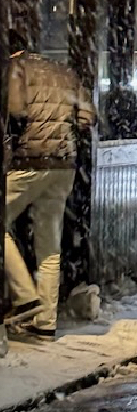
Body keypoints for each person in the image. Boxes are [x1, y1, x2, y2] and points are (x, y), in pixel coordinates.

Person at [4, 26, 95, 339]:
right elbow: (86, 117)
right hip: (64, 163)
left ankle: (24, 296)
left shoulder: (16, 69)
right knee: (49, 244)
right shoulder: (63, 71)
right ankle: (45, 322)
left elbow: (15, 110)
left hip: (29, 160)